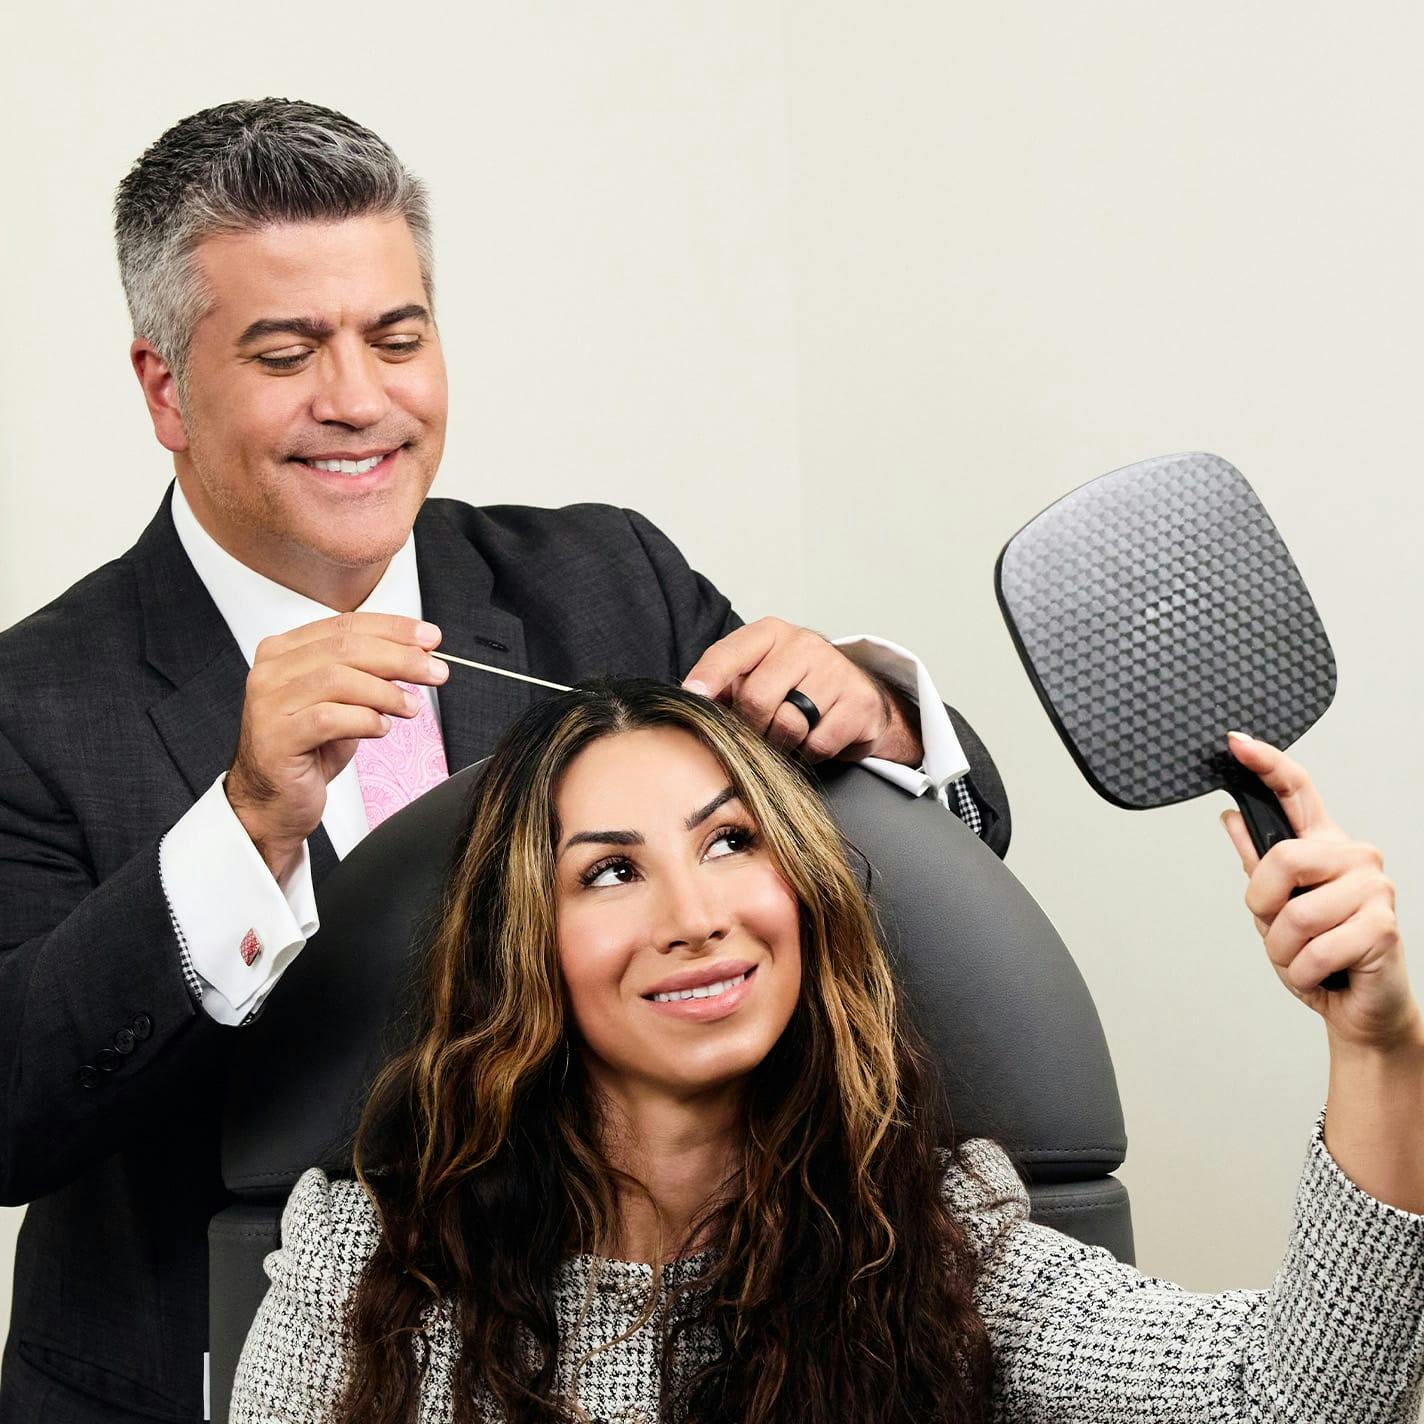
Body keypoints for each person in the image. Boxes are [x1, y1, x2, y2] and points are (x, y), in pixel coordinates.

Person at [0, 101, 1009, 1421]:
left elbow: (923, 869)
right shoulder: (31, 702)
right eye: (288, 352)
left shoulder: (610, 582)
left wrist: (876, 715)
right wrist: (244, 824)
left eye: (397, 339)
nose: (358, 400)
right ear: (163, 389)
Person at [229, 680, 1424, 1423]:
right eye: (610, 870)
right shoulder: (366, 1263)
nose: (695, 914)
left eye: (730, 842)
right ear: (524, 947)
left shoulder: (942, 1244)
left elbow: (1293, 1400)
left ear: (800, 889)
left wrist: (1376, 1045)